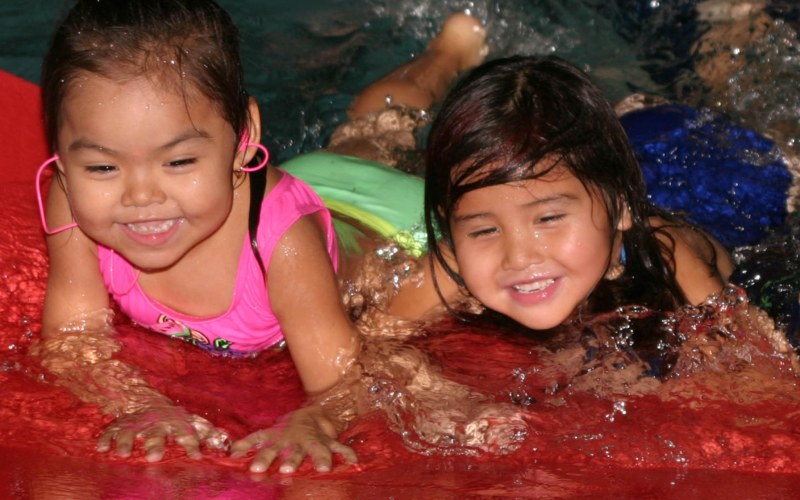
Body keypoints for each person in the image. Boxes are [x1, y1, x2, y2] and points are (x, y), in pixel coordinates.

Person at [33, 0, 487, 474]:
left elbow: (343, 378)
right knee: (367, 135)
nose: (140, 196)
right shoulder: (71, 200)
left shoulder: (281, 243)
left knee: (395, 326)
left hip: (395, 229)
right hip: (321, 178)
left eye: (179, 161)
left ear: (243, 138)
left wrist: (315, 419)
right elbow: (72, 338)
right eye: (103, 167)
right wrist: (136, 402)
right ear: (64, 161)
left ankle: (448, 53)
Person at [387, 55, 738, 329]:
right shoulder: (454, 264)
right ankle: (447, 55)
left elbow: (744, 367)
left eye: (549, 218)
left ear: (622, 205)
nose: (519, 257)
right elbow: (370, 350)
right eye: (484, 230)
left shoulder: (668, 257)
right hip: (591, 175)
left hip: (701, 172)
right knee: (378, 132)